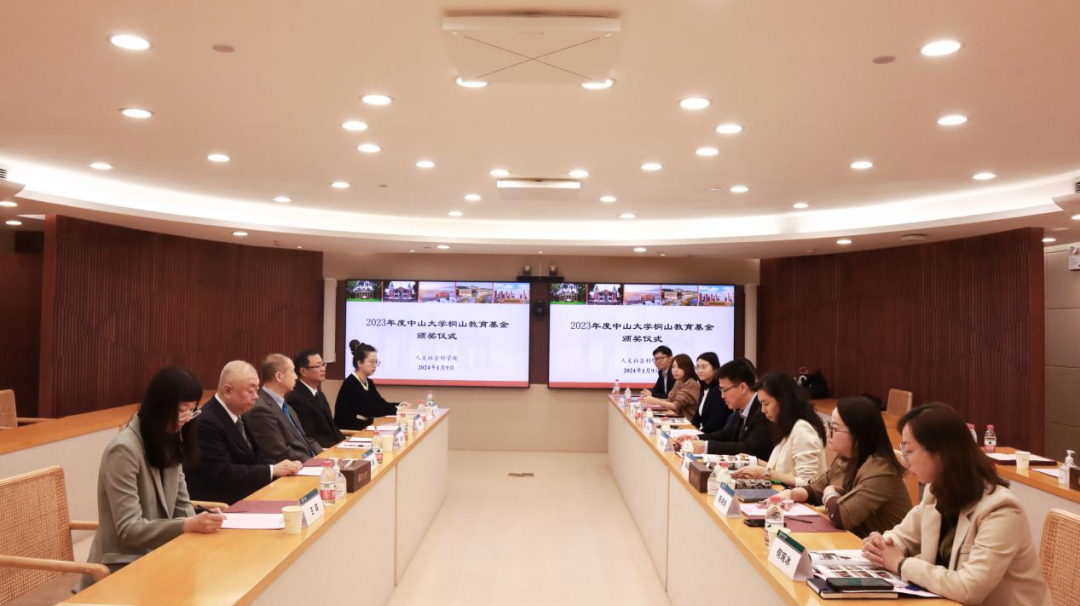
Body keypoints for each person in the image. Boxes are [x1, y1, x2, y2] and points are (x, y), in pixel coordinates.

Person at [862, 403, 1051, 606]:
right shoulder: (936, 492)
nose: (906, 461)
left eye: (908, 450)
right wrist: (881, 545)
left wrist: (900, 564)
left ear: (940, 453)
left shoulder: (1000, 510)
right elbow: (903, 536)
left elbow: (969, 589)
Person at [77, 367, 224, 590]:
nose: (187, 419)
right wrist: (186, 525)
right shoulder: (123, 450)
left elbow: (182, 504)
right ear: (160, 406)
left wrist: (202, 521)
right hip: (122, 566)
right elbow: (129, 529)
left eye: (192, 410)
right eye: (181, 410)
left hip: (161, 554)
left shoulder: (170, 440)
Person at [776, 396, 911, 537]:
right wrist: (791, 494)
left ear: (858, 434)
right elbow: (816, 489)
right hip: (855, 540)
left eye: (834, 429)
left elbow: (841, 517)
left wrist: (829, 492)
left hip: (879, 546)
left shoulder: (881, 469)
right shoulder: (846, 457)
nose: (828, 433)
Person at [184, 361, 302, 505]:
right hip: (222, 504)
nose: (256, 396)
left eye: (257, 390)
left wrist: (284, 467)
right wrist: (273, 470)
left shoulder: (239, 413)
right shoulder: (206, 421)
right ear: (228, 391)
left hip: (250, 494)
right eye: (250, 391)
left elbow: (256, 456)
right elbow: (222, 473)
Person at [732, 371, 827, 487]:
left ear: (783, 401)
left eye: (766, 404)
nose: (763, 410)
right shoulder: (787, 426)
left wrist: (764, 473)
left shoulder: (803, 429)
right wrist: (754, 462)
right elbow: (783, 471)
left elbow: (808, 483)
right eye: (761, 404)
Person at [675, 358, 773, 461]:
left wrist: (706, 446)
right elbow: (726, 434)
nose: (722, 396)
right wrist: (696, 438)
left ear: (743, 388)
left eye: (724, 390)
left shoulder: (762, 410)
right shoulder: (740, 408)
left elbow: (750, 449)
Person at [246, 353, 322, 462]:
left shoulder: (286, 406)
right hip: (294, 467)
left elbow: (306, 439)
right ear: (279, 376)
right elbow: (279, 452)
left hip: (309, 462)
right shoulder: (260, 409)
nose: (296, 377)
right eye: (292, 371)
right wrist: (315, 463)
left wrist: (326, 458)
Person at [335, 342, 412, 430]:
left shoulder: (369, 382)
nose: (375, 365)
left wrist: (400, 405)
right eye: (371, 362)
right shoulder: (351, 383)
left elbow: (380, 403)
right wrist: (397, 409)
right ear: (359, 363)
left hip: (364, 429)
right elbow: (371, 410)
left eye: (376, 362)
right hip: (349, 432)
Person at [286, 349, 345, 448]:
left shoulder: (320, 394)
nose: (323, 369)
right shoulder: (297, 399)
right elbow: (310, 437)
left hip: (335, 448)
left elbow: (333, 428)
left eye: (323, 365)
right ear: (303, 371)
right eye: (318, 366)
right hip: (323, 451)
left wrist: (346, 444)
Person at [641, 353, 699, 420]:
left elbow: (675, 406)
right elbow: (669, 400)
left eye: (679, 367)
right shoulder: (678, 381)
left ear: (687, 368)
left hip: (689, 422)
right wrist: (650, 399)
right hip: (678, 419)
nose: (675, 370)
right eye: (673, 367)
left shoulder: (691, 383)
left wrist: (654, 400)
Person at [693, 352, 731, 434]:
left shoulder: (718, 390)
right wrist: (690, 430)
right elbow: (697, 416)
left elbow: (715, 424)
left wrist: (697, 436)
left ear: (715, 369)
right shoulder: (704, 387)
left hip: (713, 436)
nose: (699, 371)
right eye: (697, 367)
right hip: (702, 432)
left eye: (703, 367)